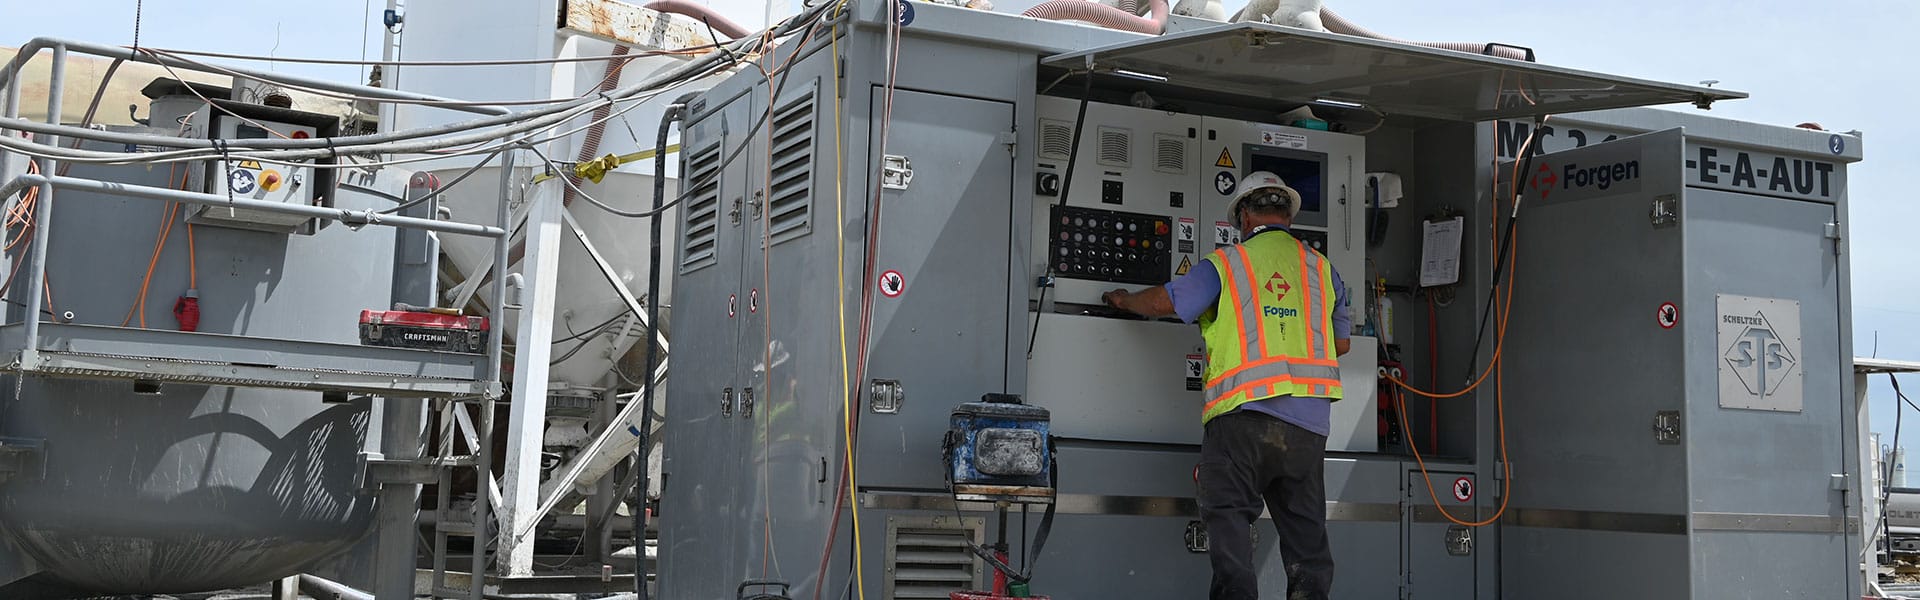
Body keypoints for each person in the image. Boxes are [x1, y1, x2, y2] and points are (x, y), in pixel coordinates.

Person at [1101, 171, 1350, 600]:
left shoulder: (1229, 263)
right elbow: (1340, 342)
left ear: (1244, 218)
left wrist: (1125, 301)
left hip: (1243, 421)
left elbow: (1166, 302)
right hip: (1309, 426)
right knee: (1307, 546)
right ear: (1287, 215)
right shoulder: (1323, 270)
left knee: (1231, 528)